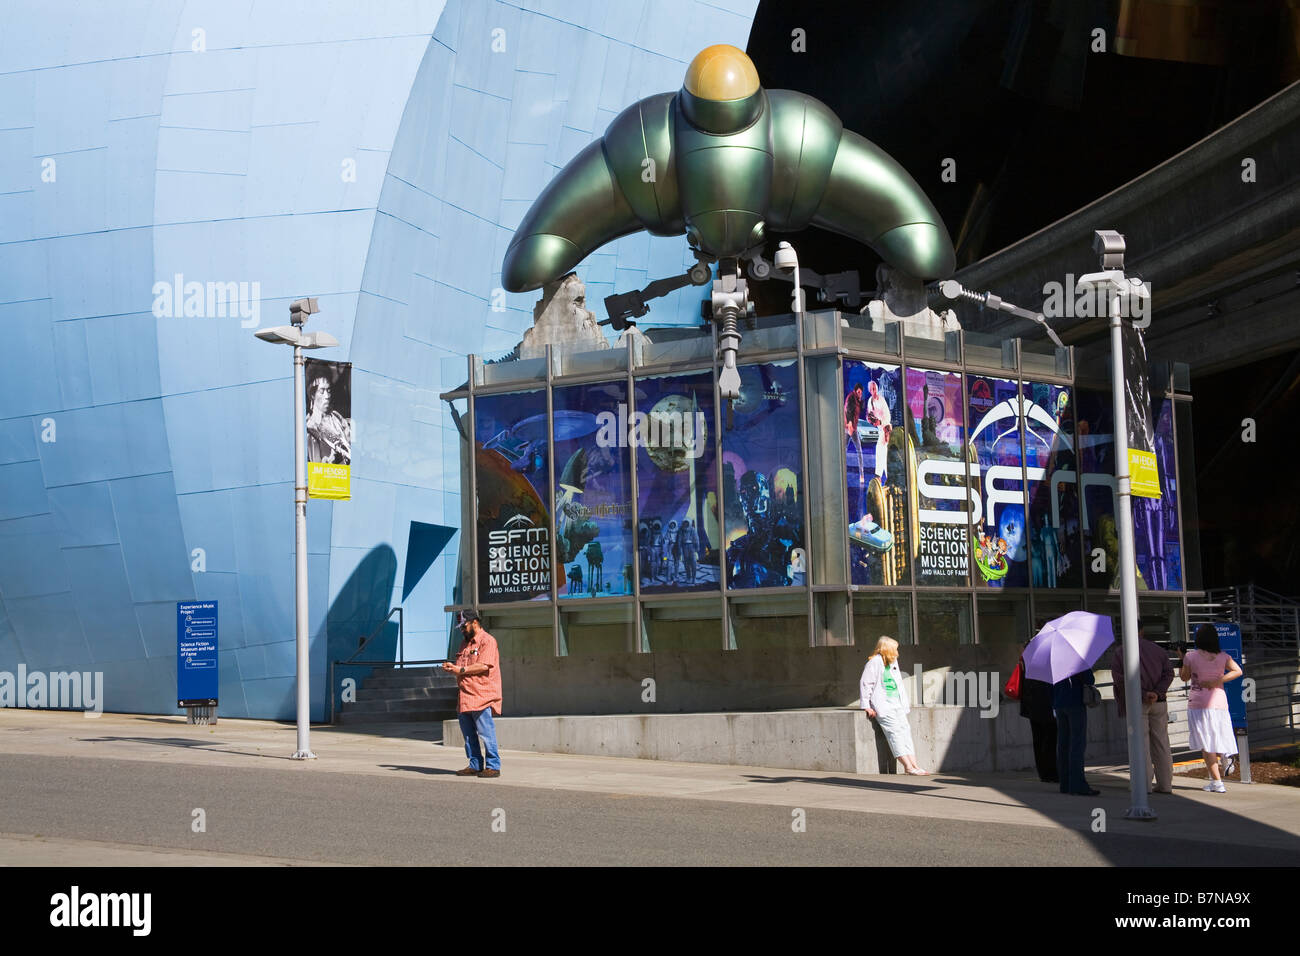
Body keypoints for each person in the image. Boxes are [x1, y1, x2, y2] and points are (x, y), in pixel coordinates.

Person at [1108, 619, 1175, 794]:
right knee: (1161, 742)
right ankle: (1166, 783)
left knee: (1141, 744)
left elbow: (1120, 679)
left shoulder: (1121, 652)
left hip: (1137, 701)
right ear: (1142, 630)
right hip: (1159, 701)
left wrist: (1143, 693)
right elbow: (1169, 673)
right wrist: (1157, 692)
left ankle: (1143, 784)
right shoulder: (1158, 650)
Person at [1179, 623, 1243, 793]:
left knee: (1206, 744)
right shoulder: (1223, 657)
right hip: (1220, 703)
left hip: (1199, 703)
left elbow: (1184, 677)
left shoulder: (1191, 656)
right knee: (1219, 735)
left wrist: (1181, 657)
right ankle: (1225, 754)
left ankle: (1217, 782)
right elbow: (1238, 671)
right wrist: (1218, 681)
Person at [442, 610, 502, 778]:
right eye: (460, 628)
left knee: (486, 733)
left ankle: (493, 766)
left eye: (464, 626)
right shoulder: (464, 644)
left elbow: (484, 665)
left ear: (474, 622)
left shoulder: (487, 641)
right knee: (468, 735)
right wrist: (452, 668)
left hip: (481, 695)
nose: (462, 630)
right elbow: (462, 667)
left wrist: (460, 669)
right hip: (465, 696)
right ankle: (475, 764)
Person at [860, 636, 928, 775]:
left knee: (905, 732)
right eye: (895, 649)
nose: (897, 652)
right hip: (884, 706)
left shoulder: (892, 662)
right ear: (887, 649)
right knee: (895, 734)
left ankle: (914, 765)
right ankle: (908, 767)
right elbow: (866, 684)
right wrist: (866, 705)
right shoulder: (874, 662)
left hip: (897, 704)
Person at [1053, 667, 1098, 796]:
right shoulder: (1077, 659)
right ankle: (1078, 784)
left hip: (1059, 703)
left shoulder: (1054, 660)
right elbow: (1090, 679)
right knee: (1077, 744)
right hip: (1075, 702)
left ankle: (1065, 783)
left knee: (1063, 744)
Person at [1017, 646, 1057, 784]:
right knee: (1050, 739)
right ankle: (1051, 772)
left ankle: (1044, 772)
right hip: (1044, 703)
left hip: (1032, 703)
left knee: (1039, 739)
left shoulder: (1027, 656)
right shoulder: (1045, 658)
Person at [865, 379, 891, 483]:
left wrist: (881, 422)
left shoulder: (881, 399)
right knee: (881, 451)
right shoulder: (870, 401)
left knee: (884, 451)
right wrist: (872, 420)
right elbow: (870, 416)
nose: (873, 390)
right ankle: (880, 475)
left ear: (877, 388)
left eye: (874, 388)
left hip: (886, 427)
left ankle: (882, 475)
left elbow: (888, 416)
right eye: (871, 389)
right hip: (880, 429)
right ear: (869, 390)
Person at [845, 382, 865, 483]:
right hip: (848, 427)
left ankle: (861, 475)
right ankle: (842, 473)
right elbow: (848, 410)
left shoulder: (857, 399)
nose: (859, 394)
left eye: (861, 393)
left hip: (854, 428)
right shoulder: (851, 397)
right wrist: (849, 424)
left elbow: (860, 410)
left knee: (859, 450)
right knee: (844, 450)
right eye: (858, 392)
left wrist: (861, 401)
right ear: (855, 390)